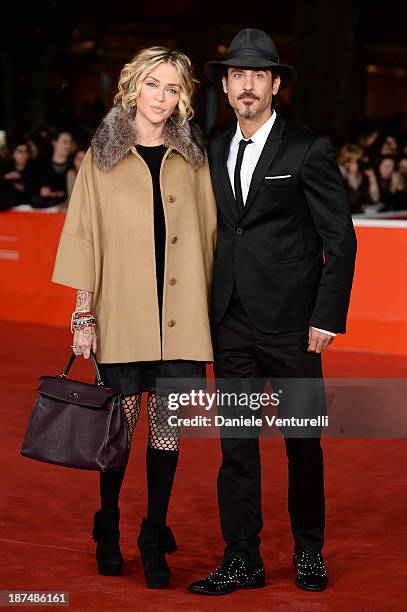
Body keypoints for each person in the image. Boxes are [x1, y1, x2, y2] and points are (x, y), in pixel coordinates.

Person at [188, 29, 357, 596]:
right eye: (238, 75)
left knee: (302, 444)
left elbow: (341, 236)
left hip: (292, 327)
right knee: (236, 447)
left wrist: (327, 316)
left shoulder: (307, 149)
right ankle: (243, 559)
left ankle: (309, 552)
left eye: (259, 75)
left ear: (275, 85)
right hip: (231, 322)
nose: (248, 86)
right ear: (227, 85)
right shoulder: (213, 148)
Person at [51, 46, 217, 588]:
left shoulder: (193, 159)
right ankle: (108, 522)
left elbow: (211, 237)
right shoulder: (99, 157)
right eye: (153, 85)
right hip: (122, 315)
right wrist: (83, 314)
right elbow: (84, 236)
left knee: (167, 433)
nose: (162, 98)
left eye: (173, 89)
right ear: (132, 87)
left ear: (183, 97)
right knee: (119, 432)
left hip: (182, 320)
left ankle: (153, 531)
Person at [31, 130, 73, 208]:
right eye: (64, 142)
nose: (68, 146)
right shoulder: (41, 165)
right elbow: (30, 186)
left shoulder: (73, 166)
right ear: (54, 143)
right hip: (43, 210)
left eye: (70, 142)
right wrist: (40, 190)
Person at [336, 143, 379, 214]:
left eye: (358, 161)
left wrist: (373, 179)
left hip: (361, 218)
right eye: (354, 161)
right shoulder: (340, 176)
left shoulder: (362, 176)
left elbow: (375, 199)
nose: (357, 164)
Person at [0, 140, 34, 210]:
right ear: (12, 153)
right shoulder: (4, 170)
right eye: (20, 151)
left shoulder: (34, 171)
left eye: (26, 151)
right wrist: (5, 177)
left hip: (28, 211)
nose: (24, 155)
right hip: (8, 212)